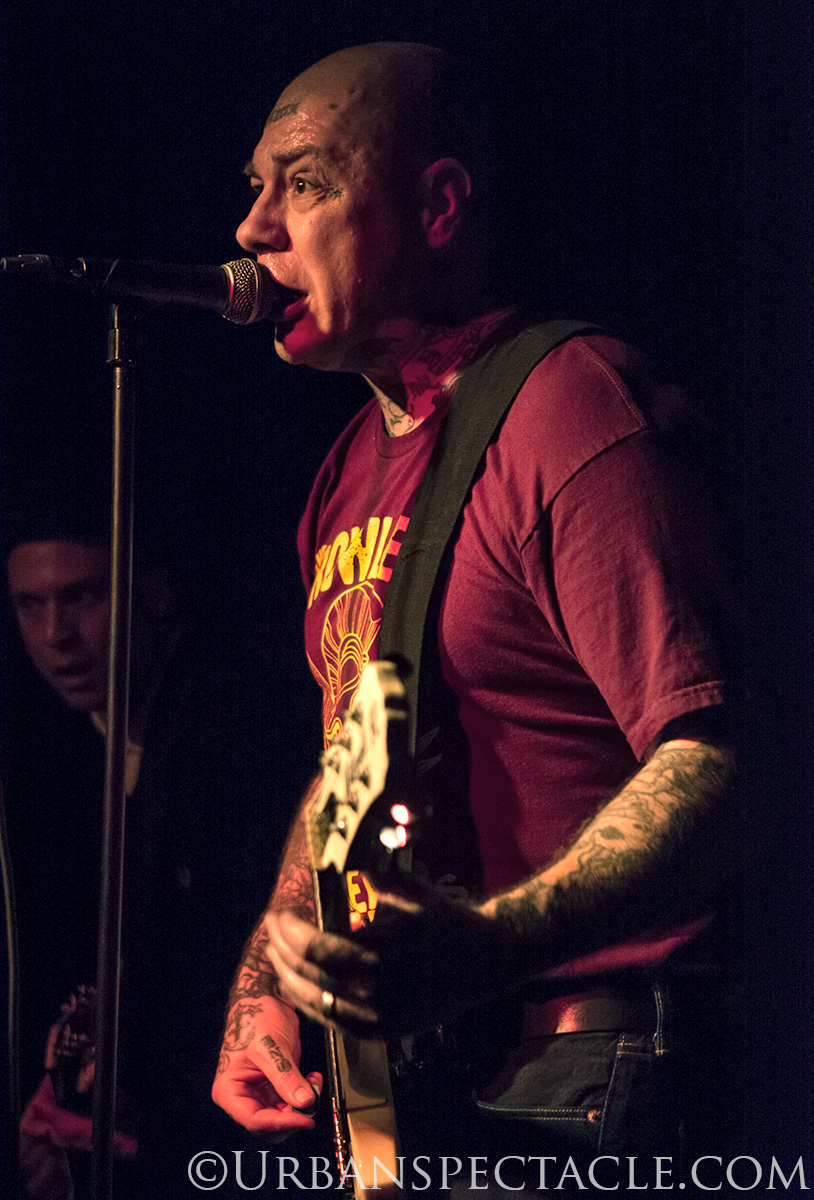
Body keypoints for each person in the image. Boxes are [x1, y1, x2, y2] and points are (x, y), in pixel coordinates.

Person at [211, 42, 737, 1194]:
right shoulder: (346, 471)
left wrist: (490, 945)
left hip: (607, 1053)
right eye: (254, 188)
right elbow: (354, 761)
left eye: (304, 183)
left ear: (438, 206)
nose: (253, 229)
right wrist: (268, 990)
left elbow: (717, 754)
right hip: (460, 1072)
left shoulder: (570, 406)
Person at [3, 448, 268, 1198]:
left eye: (81, 597)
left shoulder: (232, 733)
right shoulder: (52, 754)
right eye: (29, 606)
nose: (55, 634)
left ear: (153, 595)